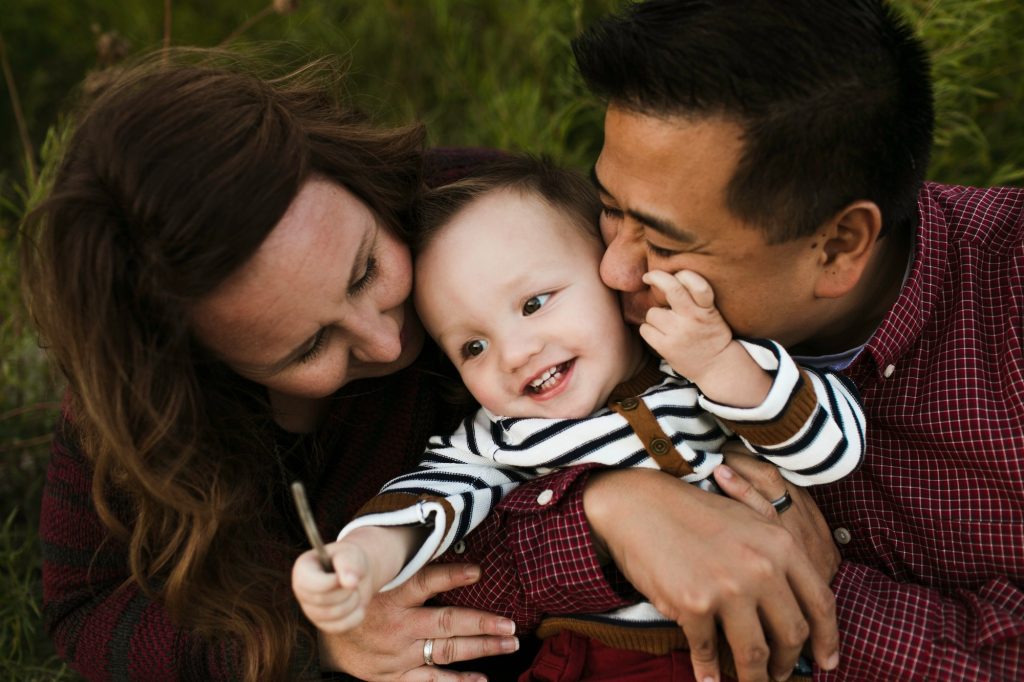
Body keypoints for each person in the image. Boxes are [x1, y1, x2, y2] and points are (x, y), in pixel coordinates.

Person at [17, 51, 643, 682]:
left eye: (367, 268)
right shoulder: (140, 409)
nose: (386, 343)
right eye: (308, 347)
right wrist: (306, 635)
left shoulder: (475, 217)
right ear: (199, 369)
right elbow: (85, 611)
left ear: (347, 171)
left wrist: (629, 504)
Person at [547, 0, 1022, 680]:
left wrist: (821, 599)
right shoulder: (590, 301)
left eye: (661, 241)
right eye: (610, 208)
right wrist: (612, 512)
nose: (613, 270)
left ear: (836, 246)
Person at [292, 156, 864, 680]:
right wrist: (359, 559)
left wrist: (723, 366)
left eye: (535, 303)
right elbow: (429, 502)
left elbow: (835, 453)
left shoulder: (699, 365)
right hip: (607, 662)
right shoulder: (501, 440)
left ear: (609, 272)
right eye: (472, 347)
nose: (515, 353)